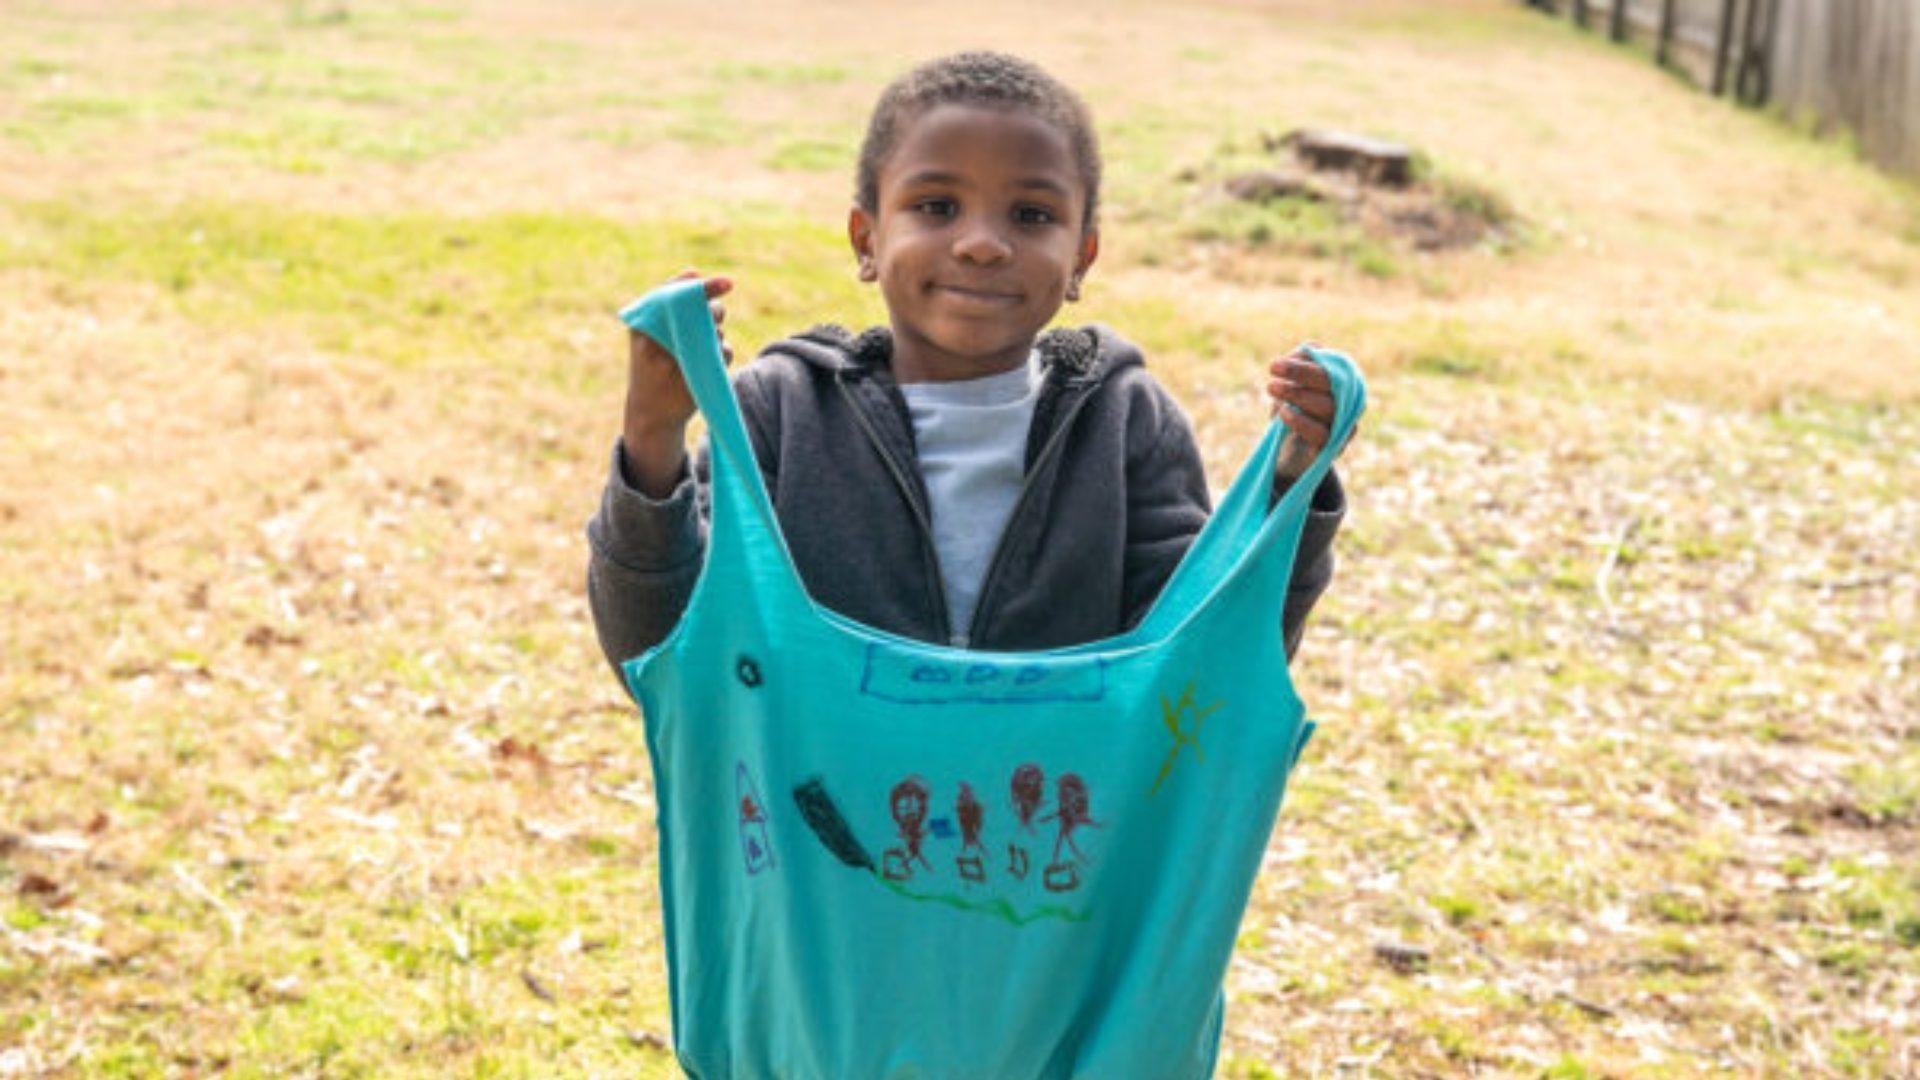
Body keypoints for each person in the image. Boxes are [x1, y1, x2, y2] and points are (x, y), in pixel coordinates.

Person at [587, 50, 1353, 681]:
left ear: (1082, 254)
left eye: (1031, 215)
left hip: (1058, 850)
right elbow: (659, 661)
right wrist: (652, 441)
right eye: (937, 206)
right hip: (813, 853)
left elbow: (1210, 665)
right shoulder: (779, 415)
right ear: (866, 239)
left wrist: (1292, 488)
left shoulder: (1127, 428)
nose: (983, 242)